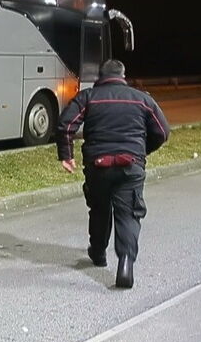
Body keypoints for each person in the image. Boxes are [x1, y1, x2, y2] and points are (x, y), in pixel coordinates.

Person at [56, 59, 169, 289]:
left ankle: (98, 253)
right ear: (123, 75)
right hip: (130, 166)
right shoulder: (142, 99)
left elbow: (65, 125)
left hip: (98, 166)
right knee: (128, 214)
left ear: (100, 76)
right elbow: (162, 132)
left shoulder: (88, 97)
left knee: (99, 209)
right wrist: (141, 151)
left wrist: (67, 155)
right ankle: (125, 264)